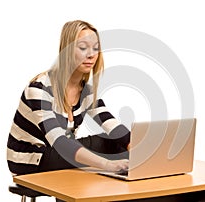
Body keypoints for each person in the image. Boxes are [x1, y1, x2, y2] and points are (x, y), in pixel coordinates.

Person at [7, 20, 130, 200]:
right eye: (83, 47)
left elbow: (111, 124)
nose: (91, 55)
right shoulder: (39, 89)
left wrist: (139, 149)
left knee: (115, 143)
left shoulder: (86, 91)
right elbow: (59, 142)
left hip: (58, 154)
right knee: (83, 155)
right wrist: (106, 164)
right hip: (30, 159)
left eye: (95, 48)